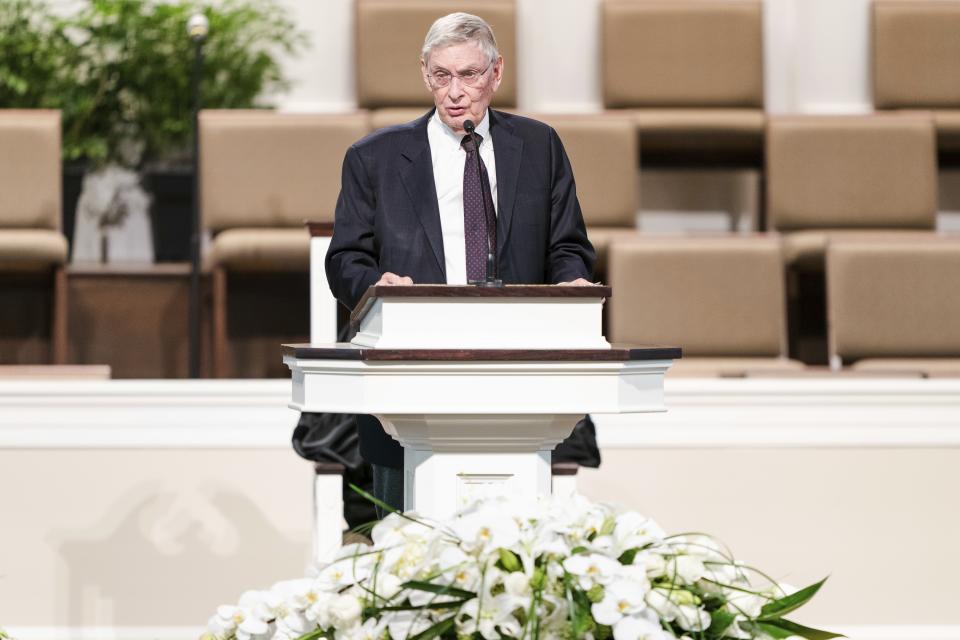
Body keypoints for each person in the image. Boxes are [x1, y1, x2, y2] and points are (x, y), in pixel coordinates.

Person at [325, 12, 598, 513]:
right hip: (411, 370)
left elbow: (567, 246)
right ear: (425, 74)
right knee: (405, 545)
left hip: (518, 369)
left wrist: (572, 284)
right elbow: (344, 260)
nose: (454, 91)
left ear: (496, 74)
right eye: (440, 76)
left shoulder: (539, 147)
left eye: (468, 75)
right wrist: (376, 286)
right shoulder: (375, 158)